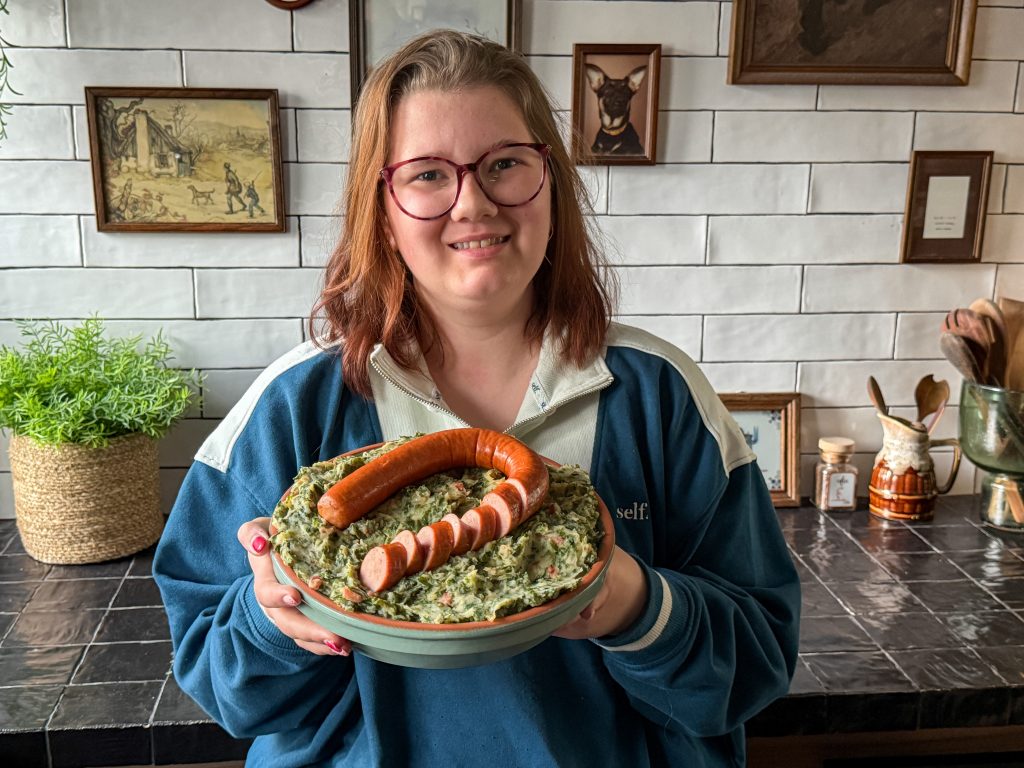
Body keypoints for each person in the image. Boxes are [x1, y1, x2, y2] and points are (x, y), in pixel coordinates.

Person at [154, 30, 800, 768]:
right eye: (429, 175)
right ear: (385, 209)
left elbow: (757, 660)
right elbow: (220, 681)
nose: (473, 204)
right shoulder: (290, 407)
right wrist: (272, 622)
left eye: (504, 165)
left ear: (549, 180)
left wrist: (637, 606)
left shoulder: (662, 395)